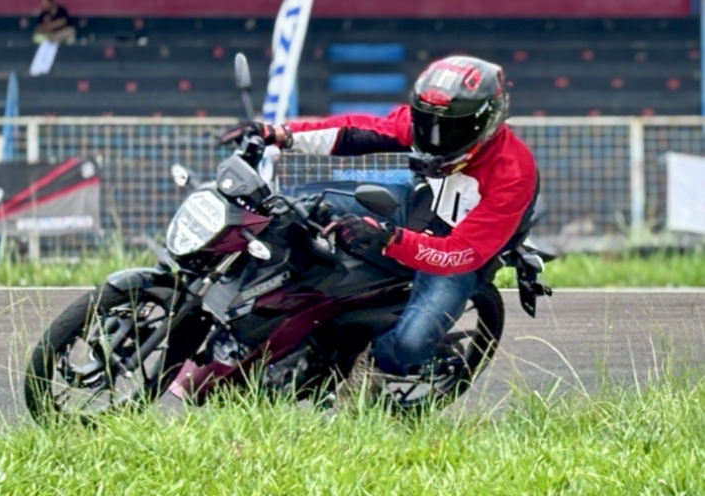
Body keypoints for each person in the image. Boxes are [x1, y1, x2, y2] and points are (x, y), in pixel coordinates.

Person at [223, 55, 539, 404]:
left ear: (488, 121)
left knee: (410, 344)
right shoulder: (429, 124)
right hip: (417, 208)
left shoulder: (514, 173)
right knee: (297, 207)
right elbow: (356, 132)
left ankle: (371, 365)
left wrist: (389, 238)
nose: (435, 136)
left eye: (451, 128)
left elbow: (460, 253)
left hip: (464, 252)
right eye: (425, 122)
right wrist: (280, 135)